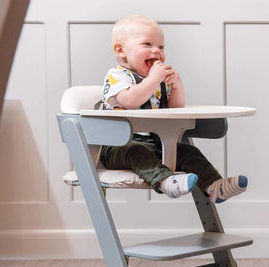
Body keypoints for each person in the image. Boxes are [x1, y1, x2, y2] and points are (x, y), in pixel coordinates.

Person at [100, 14, 247, 202]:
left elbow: (175, 109)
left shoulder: (155, 81)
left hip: (154, 143)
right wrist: (154, 79)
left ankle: (214, 186)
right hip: (117, 147)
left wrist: (177, 85)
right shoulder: (117, 77)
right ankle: (165, 181)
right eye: (147, 44)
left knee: (187, 151)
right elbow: (130, 101)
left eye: (161, 46)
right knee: (137, 151)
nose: (157, 51)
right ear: (121, 50)